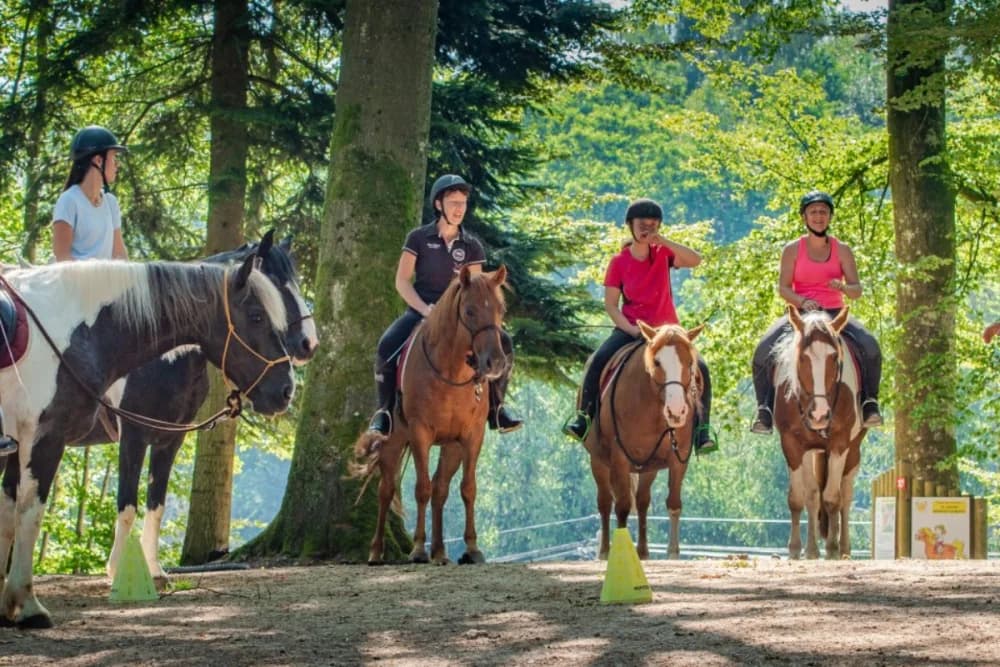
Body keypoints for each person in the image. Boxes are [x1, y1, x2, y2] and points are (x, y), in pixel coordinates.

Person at [366, 174, 522, 437]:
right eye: (453, 203)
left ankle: (497, 409)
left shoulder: (472, 246)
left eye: (463, 203)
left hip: (460, 318)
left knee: (504, 344)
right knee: (387, 345)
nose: (459, 209)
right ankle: (384, 412)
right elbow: (402, 281)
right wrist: (424, 309)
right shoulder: (417, 238)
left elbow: (476, 290)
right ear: (439, 205)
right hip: (422, 311)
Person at [562, 198, 716, 454]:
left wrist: (663, 240)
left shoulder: (663, 254)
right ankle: (583, 418)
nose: (647, 229)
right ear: (630, 226)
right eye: (642, 224)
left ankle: (702, 431)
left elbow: (695, 260)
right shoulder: (618, 262)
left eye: (653, 224)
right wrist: (632, 330)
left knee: (702, 368)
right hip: (632, 329)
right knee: (597, 361)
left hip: (668, 332)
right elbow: (611, 305)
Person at [749, 190, 883, 434]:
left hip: (834, 315)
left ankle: (869, 403)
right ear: (804, 217)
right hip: (802, 315)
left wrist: (843, 287)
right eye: (813, 212)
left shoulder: (843, 250)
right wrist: (802, 300)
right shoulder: (792, 250)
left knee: (870, 346)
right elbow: (783, 288)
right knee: (763, 350)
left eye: (823, 212)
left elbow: (856, 290)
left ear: (830, 216)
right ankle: (764, 410)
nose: (818, 216)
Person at [52, 125, 129, 262]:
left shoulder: (111, 202)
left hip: (107, 276)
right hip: (75, 277)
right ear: (98, 160)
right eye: (114, 158)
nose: (117, 165)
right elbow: (62, 259)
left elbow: (119, 254)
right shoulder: (68, 201)